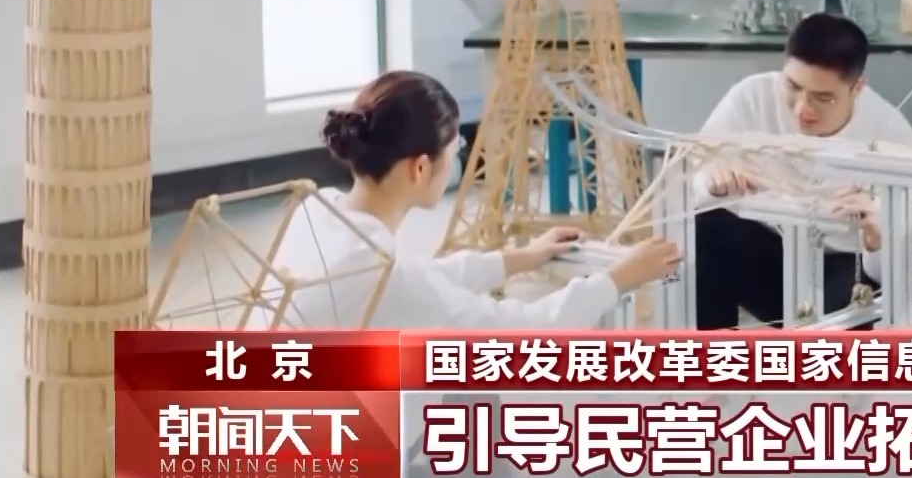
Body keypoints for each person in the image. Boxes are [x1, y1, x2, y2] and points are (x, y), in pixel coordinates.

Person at [272, 70, 682, 330]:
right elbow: (526, 330)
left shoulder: (317, 210)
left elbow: (424, 280)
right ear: (420, 168)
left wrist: (517, 259)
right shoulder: (389, 278)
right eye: (455, 149)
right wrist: (619, 278)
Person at [693, 13, 912, 329]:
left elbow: (894, 270)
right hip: (769, 255)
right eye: (793, 86)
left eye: (823, 97)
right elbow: (687, 182)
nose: (803, 108)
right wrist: (711, 181)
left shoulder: (892, 135)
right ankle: (710, 355)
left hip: (842, 266)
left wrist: (878, 234)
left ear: (857, 88)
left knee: (862, 288)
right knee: (706, 229)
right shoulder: (751, 97)